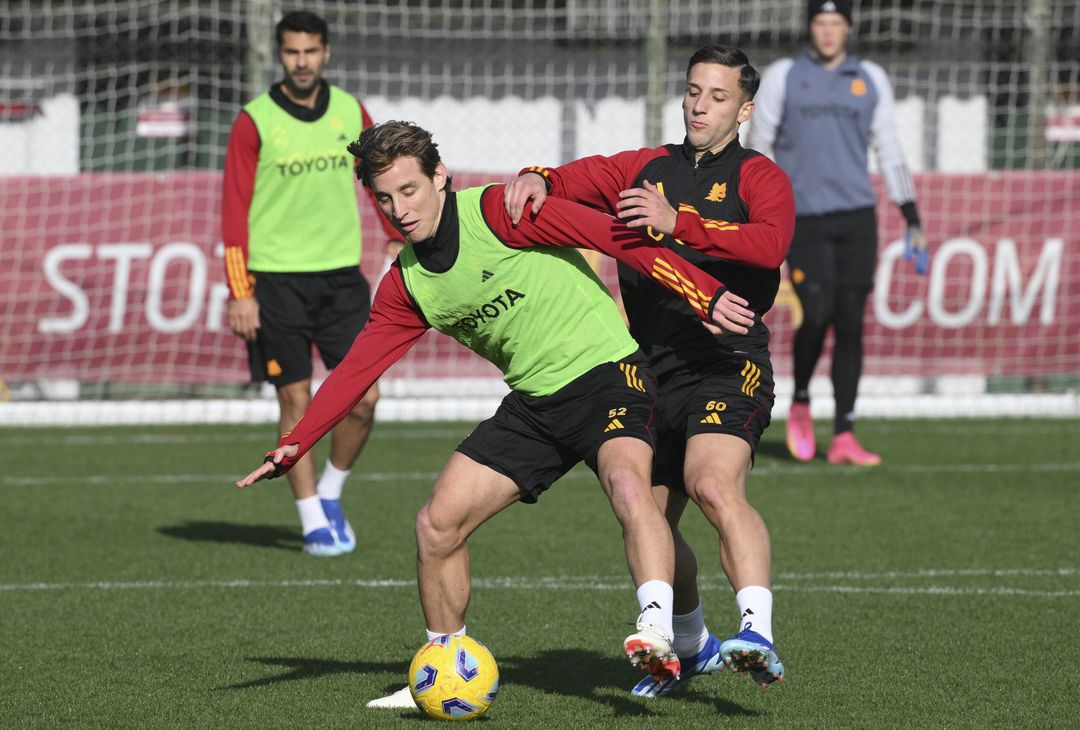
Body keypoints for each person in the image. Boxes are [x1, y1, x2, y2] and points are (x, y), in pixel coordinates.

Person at [236, 121, 759, 708]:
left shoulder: (501, 213)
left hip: (611, 375)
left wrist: (702, 293)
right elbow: (356, 371)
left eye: (409, 190)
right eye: (384, 198)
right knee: (437, 525)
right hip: (535, 405)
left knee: (626, 485)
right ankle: (442, 665)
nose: (398, 210)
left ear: (439, 176)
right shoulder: (407, 285)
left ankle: (656, 632)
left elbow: (618, 238)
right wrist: (295, 442)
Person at [504, 44, 795, 694]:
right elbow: (568, 179)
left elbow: (770, 243)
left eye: (717, 96)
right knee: (650, 524)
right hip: (649, 373)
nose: (700, 104)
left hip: (726, 363)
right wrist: (535, 175)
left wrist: (679, 223)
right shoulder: (645, 166)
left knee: (713, 485)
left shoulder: (759, 176)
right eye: (694, 90)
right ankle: (687, 644)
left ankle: (757, 632)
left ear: (744, 109)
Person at [221, 11, 403, 556]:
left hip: (342, 279)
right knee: (295, 398)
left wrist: (397, 235)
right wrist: (240, 291)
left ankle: (329, 492)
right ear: (280, 55)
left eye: (311, 51)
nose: (302, 61)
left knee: (365, 398)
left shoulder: (351, 111)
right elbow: (233, 210)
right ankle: (308, 518)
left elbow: (381, 180)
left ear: (325, 53)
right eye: (292, 52)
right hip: (275, 282)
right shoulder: (254, 121)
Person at [748, 0, 930, 466]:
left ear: (848, 27)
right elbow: (760, 148)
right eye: (821, 23)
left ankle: (845, 432)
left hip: (857, 218)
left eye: (837, 23)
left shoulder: (870, 77)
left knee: (851, 321)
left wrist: (911, 215)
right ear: (810, 27)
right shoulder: (786, 76)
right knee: (818, 311)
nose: (829, 32)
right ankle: (803, 401)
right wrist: (758, 211)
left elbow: (888, 147)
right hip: (804, 218)